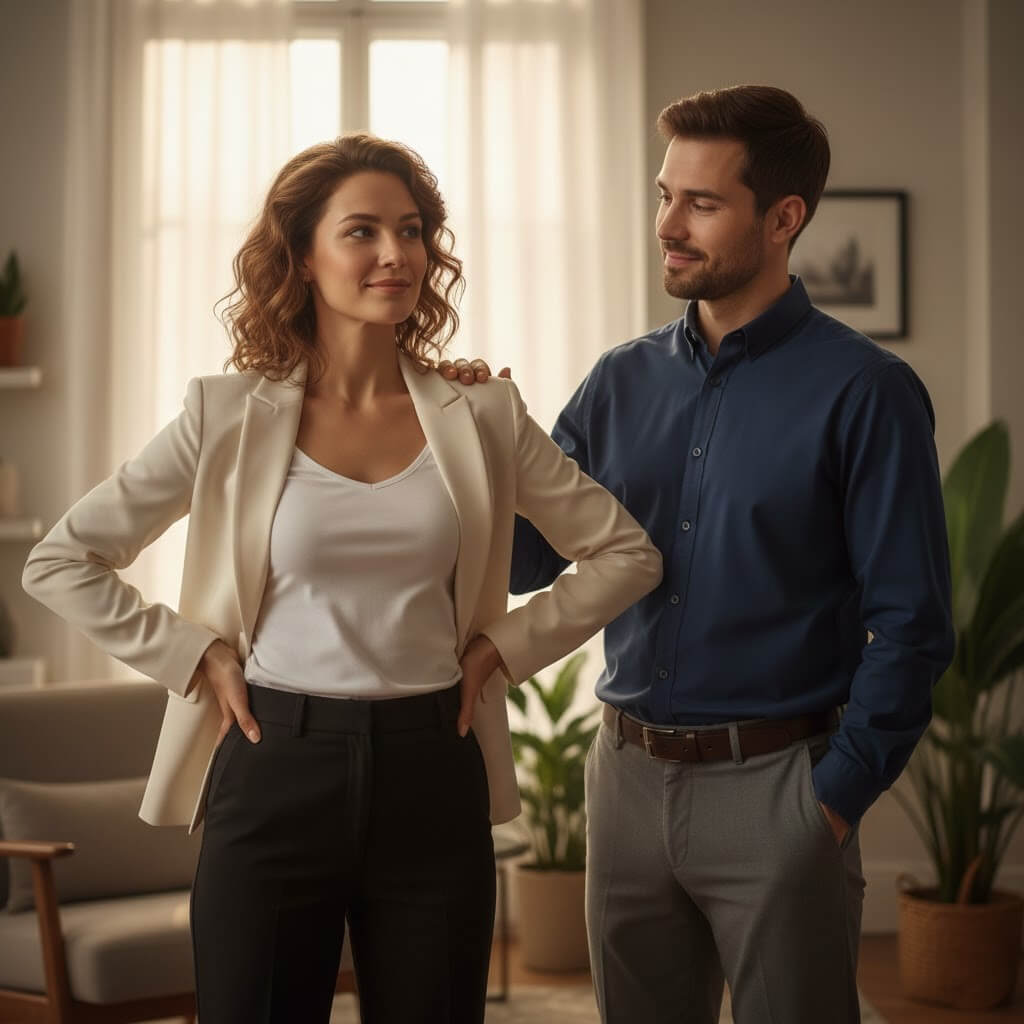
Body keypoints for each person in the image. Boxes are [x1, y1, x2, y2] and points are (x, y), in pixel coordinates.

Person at [22, 133, 662, 1024]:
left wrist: (504, 648)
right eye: (362, 231)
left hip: (433, 771)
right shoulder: (225, 414)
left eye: (411, 230)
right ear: (302, 256)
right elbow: (59, 560)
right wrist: (195, 654)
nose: (395, 253)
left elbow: (627, 553)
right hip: (272, 766)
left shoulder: (483, 413)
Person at [442, 85, 955, 1023]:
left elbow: (913, 625)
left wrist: (830, 804)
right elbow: (521, 564)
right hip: (625, 783)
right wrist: (484, 443)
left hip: (780, 791)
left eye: (702, 203)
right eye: (664, 195)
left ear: (783, 219)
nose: (668, 226)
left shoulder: (867, 392)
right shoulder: (618, 380)